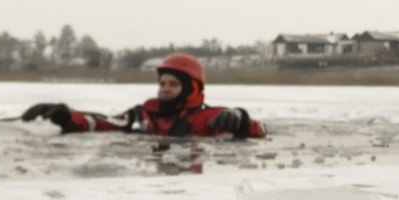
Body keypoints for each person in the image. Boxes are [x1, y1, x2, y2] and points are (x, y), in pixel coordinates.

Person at [21, 53, 266, 138]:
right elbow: (103, 123)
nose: (165, 89)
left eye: (173, 84)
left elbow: (259, 131)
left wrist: (241, 119)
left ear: (192, 88)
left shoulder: (210, 118)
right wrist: (66, 116)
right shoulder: (141, 115)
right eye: (162, 83)